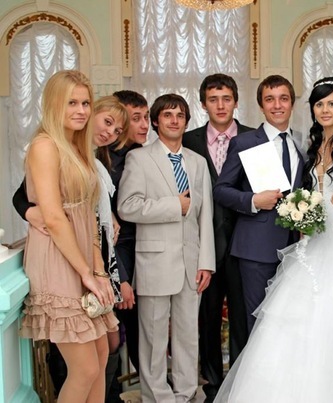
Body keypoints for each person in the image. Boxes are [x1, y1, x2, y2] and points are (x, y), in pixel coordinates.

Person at [214, 77, 333, 403]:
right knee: (287, 324)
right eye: (319, 104)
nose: (325, 110)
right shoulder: (310, 146)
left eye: (332, 104)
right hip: (308, 244)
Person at [19, 70, 118, 402]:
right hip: (57, 259)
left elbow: (89, 215)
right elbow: (54, 218)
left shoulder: (77, 147)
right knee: (85, 368)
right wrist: (86, 273)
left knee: (101, 357)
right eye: (71, 103)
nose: (81, 110)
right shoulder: (44, 146)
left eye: (86, 103)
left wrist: (98, 269)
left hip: (82, 259)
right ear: (53, 104)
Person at [118, 93, 215, 402]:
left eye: (180, 115)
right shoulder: (139, 159)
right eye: (168, 115)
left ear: (187, 122)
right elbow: (127, 206)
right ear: (156, 121)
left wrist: (206, 262)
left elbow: (205, 215)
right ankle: (157, 396)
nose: (175, 120)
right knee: (154, 336)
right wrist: (174, 205)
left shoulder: (198, 162)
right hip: (154, 262)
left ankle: (186, 393)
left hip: (191, 263)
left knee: (188, 335)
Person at [182, 73, 253, 402]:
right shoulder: (188, 141)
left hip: (244, 243)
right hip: (203, 247)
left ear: (236, 101)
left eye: (226, 98)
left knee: (243, 318)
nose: (220, 105)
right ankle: (211, 387)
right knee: (207, 319)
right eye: (213, 99)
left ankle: (240, 384)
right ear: (203, 104)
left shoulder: (255, 138)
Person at [213, 75, 304, 332]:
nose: (277, 105)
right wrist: (253, 200)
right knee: (260, 323)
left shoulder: (302, 143)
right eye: (270, 99)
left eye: (283, 99)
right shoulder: (244, 142)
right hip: (256, 249)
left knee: (291, 321)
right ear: (261, 106)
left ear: (292, 103)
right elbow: (220, 190)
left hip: (297, 247)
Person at [111, 90, 150, 373]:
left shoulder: (145, 156)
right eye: (136, 118)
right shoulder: (104, 160)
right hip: (115, 255)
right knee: (116, 330)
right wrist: (122, 277)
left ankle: (151, 384)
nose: (145, 125)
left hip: (145, 250)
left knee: (142, 327)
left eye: (146, 117)